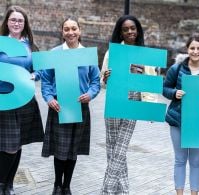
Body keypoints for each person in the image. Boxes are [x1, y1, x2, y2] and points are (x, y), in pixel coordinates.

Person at [40, 17, 100, 195]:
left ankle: (67, 186)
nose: (70, 32)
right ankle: (57, 185)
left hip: (80, 106)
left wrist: (90, 94)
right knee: (60, 149)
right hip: (59, 106)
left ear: (80, 31)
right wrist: (49, 97)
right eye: (66, 29)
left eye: (74, 28)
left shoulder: (87, 54)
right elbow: (46, 80)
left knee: (73, 149)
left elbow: (95, 81)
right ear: (62, 32)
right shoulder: (55, 53)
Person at [163, 33, 199, 195]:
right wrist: (175, 93)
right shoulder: (176, 68)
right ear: (187, 49)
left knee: (196, 162)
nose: (196, 51)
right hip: (178, 120)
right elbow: (165, 88)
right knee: (180, 160)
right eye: (192, 48)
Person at [0, 5, 44, 195]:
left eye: (20, 20)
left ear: (25, 24)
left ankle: (8, 184)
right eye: (13, 20)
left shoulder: (31, 46)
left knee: (16, 145)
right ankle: (2, 184)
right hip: (4, 100)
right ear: (6, 22)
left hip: (24, 100)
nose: (16, 23)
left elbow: (42, 70)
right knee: (8, 146)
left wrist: (35, 75)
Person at [100, 15, 145, 195]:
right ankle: (122, 191)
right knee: (113, 147)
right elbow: (102, 82)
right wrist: (107, 77)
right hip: (114, 99)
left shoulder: (144, 54)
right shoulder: (113, 52)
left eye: (132, 28)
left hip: (133, 102)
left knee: (121, 147)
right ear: (120, 32)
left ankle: (107, 190)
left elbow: (151, 85)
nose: (129, 32)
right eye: (125, 29)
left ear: (137, 30)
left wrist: (139, 75)